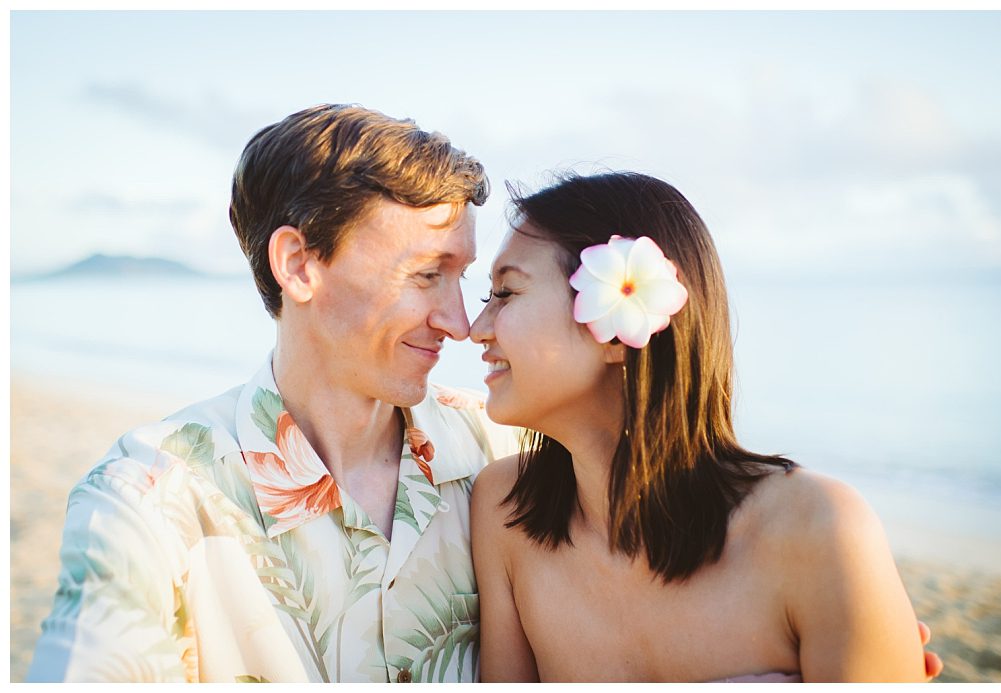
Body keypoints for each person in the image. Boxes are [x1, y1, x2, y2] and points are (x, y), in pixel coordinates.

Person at [27, 105, 943, 682]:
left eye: (485, 285)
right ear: (299, 263)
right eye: (429, 273)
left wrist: (856, 624)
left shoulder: (491, 461)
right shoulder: (146, 503)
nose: (463, 322)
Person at [468, 172, 927, 682]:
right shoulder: (504, 510)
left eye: (506, 292)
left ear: (619, 330)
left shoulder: (817, 530)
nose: (475, 328)